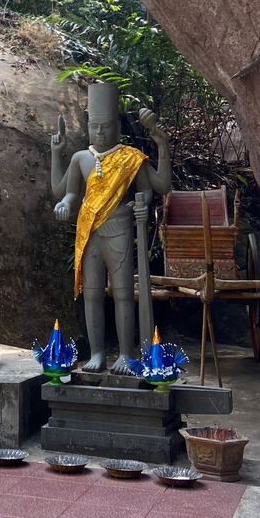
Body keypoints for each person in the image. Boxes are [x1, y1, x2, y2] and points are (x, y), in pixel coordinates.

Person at [52, 82, 171, 373]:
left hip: (120, 229)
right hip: (89, 232)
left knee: (121, 294)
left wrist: (162, 145)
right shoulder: (81, 158)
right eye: (95, 127)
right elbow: (62, 191)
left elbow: (158, 187)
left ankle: (127, 354)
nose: (101, 132)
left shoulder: (130, 159)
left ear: (117, 126)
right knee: (91, 294)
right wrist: (57, 154)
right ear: (89, 126)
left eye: (106, 126)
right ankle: (97, 353)